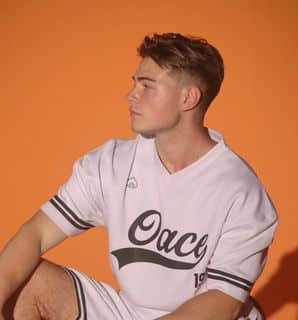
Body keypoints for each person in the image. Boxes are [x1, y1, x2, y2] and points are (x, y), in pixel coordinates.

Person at [0, 33, 278, 320]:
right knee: (26, 282)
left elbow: (223, 302)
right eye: (135, 83)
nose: (131, 94)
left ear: (188, 97)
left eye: (147, 86)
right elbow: (35, 234)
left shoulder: (240, 190)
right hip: (129, 313)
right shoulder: (110, 163)